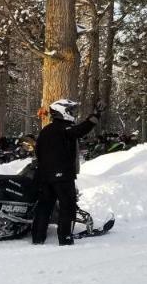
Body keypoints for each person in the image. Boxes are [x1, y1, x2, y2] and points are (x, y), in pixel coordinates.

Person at [32, 99, 99, 246]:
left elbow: (38, 152)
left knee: (45, 206)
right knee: (67, 206)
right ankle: (65, 238)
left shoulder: (45, 130)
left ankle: (37, 238)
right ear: (62, 111)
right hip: (61, 176)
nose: (72, 114)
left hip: (44, 175)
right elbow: (81, 130)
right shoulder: (64, 128)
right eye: (70, 110)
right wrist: (95, 116)